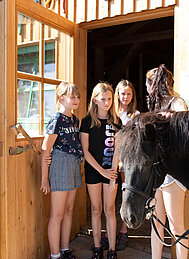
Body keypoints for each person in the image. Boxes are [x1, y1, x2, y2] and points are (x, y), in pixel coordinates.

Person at [146, 64, 189, 259]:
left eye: (148, 84)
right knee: (156, 221)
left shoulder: (177, 103)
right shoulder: (153, 106)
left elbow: (186, 131)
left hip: (172, 171)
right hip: (157, 171)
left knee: (176, 225)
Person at [41, 82, 84, 259]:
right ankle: (55, 255)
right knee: (57, 213)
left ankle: (65, 249)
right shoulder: (57, 119)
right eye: (72, 97)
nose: (76, 100)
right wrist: (44, 179)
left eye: (78, 97)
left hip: (73, 164)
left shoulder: (75, 120)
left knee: (68, 210)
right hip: (60, 164)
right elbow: (45, 149)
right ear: (61, 98)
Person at [80, 82, 122, 259]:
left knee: (110, 209)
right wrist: (101, 171)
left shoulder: (116, 121)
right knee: (96, 209)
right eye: (103, 99)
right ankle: (97, 248)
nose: (107, 102)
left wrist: (111, 173)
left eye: (110, 99)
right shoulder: (87, 121)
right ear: (95, 100)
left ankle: (111, 250)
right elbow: (85, 151)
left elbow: (118, 149)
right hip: (93, 171)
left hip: (111, 171)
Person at [111, 80, 140, 251]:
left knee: (124, 196)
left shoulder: (134, 115)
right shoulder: (111, 112)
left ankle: (123, 231)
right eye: (123, 93)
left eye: (129, 94)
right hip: (108, 159)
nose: (126, 97)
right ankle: (109, 231)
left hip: (124, 161)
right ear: (118, 95)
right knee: (108, 199)